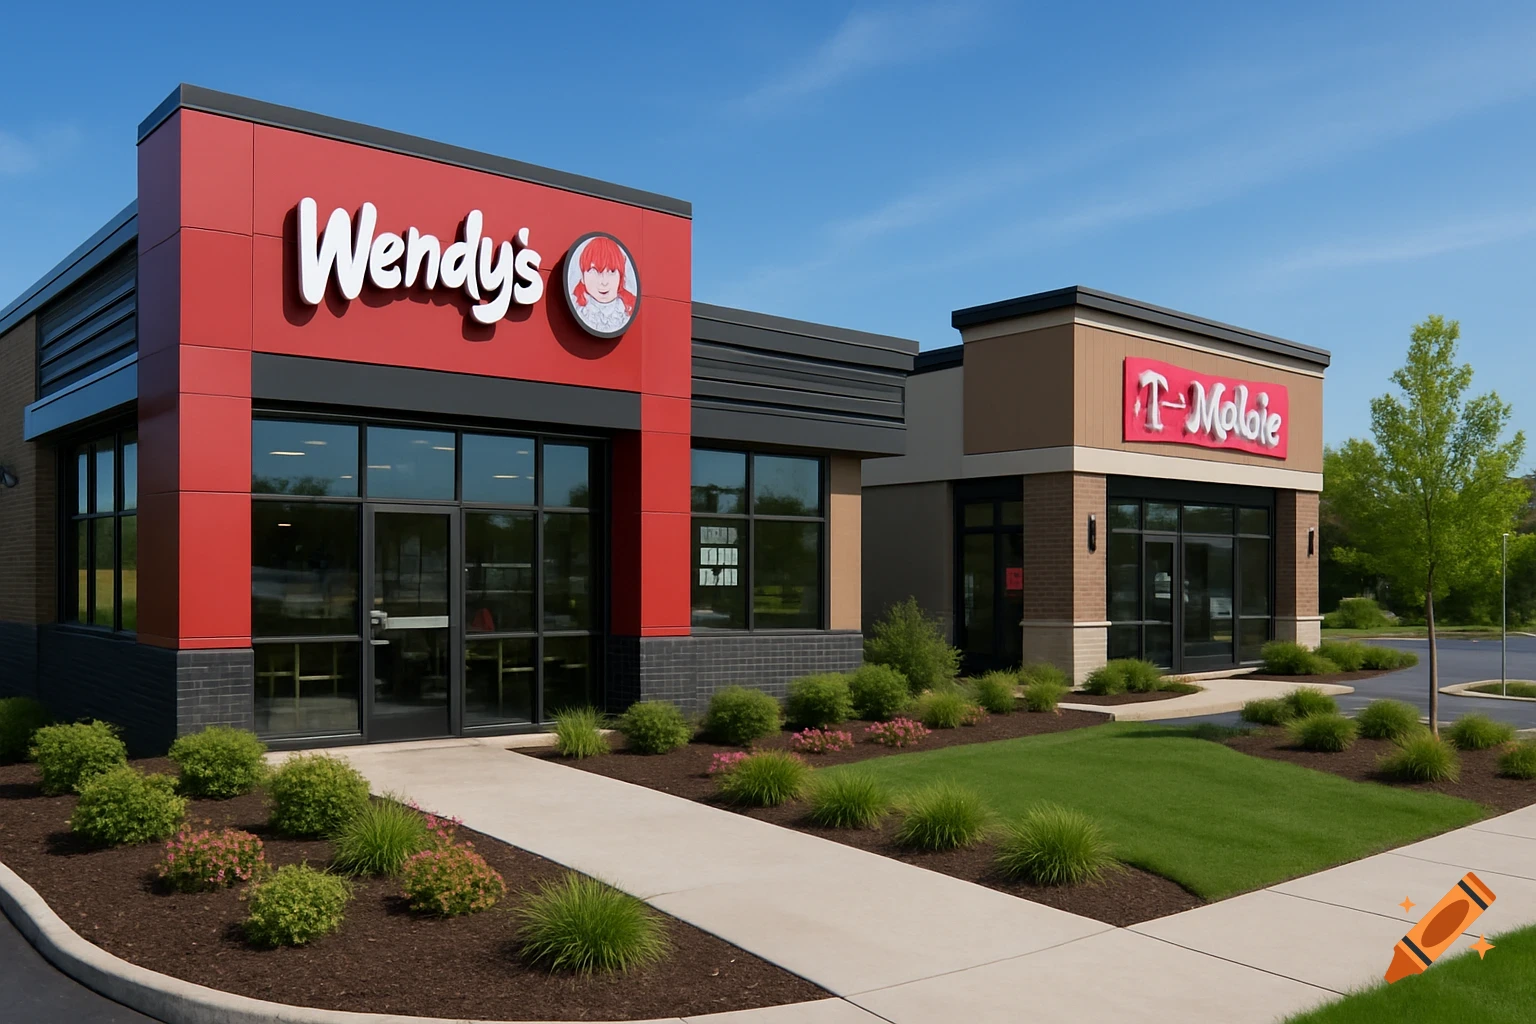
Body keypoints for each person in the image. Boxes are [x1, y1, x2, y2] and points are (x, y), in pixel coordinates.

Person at [570, 236, 637, 333]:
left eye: (612, 271)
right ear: (582, 276)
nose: (604, 282)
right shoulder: (578, 306)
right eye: (595, 271)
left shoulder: (626, 310)